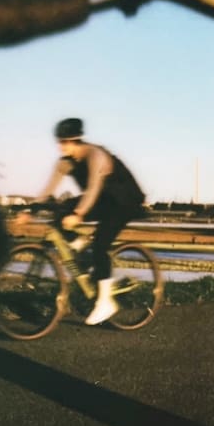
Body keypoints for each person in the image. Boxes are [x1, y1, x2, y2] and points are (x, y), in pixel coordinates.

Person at [31, 117, 146, 325]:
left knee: (101, 244)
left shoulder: (95, 155)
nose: (60, 146)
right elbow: (48, 190)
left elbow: (93, 188)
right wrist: (31, 210)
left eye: (64, 141)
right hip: (103, 200)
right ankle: (81, 246)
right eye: (59, 141)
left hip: (124, 201)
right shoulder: (64, 163)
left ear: (76, 140)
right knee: (60, 210)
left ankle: (106, 302)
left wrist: (79, 214)